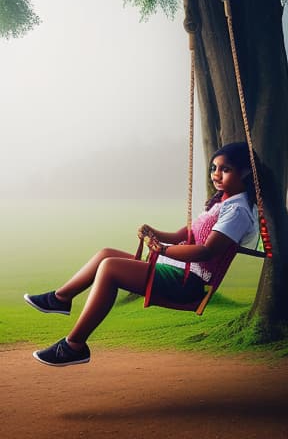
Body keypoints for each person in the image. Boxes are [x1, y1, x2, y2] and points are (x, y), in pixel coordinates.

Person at [24, 142, 260, 367]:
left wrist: (164, 250)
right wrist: (156, 233)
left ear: (246, 173)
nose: (216, 175)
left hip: (189, 282)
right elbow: (185, 234)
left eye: (225, 169)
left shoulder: (237, 211)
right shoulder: (223, 201)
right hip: (176, 269)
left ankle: (73, 346)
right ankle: (60, 299)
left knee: (110, 268)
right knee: (106, 254)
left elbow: (206, 251)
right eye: (214, 168)